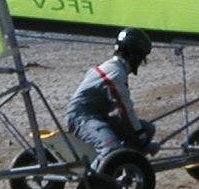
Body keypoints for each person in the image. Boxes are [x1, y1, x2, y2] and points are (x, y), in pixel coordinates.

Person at [66, 28, 156, 172]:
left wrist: (142, 135)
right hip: (81, 118)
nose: (140, 62)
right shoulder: (115, 74)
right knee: (111, 149)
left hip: (97, 117)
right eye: (141, 57)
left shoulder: (115, 68)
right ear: (133, 54)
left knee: (148, 128)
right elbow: (125, 110)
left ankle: (128, 164)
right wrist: (141, 138)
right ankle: (93, 182)